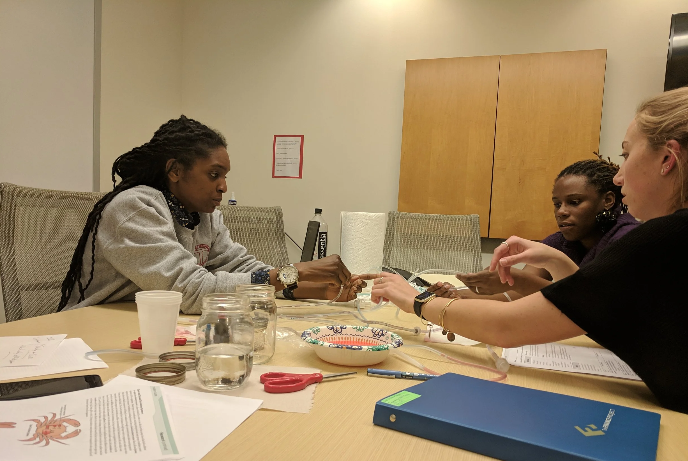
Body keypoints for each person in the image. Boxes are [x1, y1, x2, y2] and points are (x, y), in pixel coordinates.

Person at [367, 87, 688, 413]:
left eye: (626, 155)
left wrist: (416, 300)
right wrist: (555, 259)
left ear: (667, 159)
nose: (619, 177)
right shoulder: (664, 240)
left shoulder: (658, 241)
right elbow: (588, 305)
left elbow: (506, 325)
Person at [58, 116, 363, 314]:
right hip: (92, 333)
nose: (223, 186)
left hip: (152, 325)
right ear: (175, 171)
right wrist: (294, 273)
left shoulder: (204, 215)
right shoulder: (136, 208)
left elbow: (245, 269)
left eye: (225, 176)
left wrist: (317, 290)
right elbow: (191, 291)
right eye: (214, 174)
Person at [429, 155, 639, 301]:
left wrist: (519, 281)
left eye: (574, 202)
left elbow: (595, 306)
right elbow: (518, 295)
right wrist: (458, 295)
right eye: (557, 204)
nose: (561, 212)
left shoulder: (628, 239)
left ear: (608, 200)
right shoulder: (561, 242)